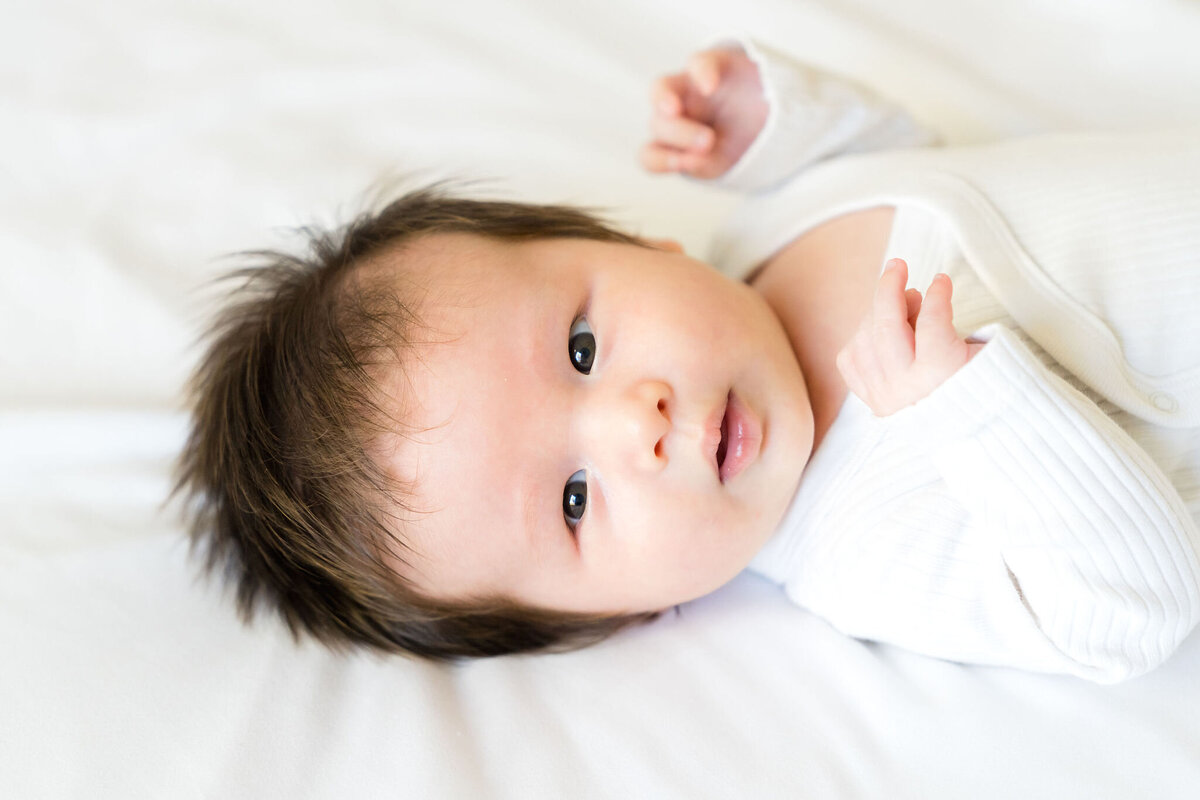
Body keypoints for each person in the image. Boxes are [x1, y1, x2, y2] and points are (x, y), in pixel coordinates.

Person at [176, 39, 1200, 682]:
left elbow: (915, 158)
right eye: (575, 500)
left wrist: (772, 127)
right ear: (622, 612)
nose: (637, 421)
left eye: (580, 346)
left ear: (635, 247)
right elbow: (1126, 615)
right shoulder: (866, 547)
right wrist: (983, 414)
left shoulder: (771, 228)